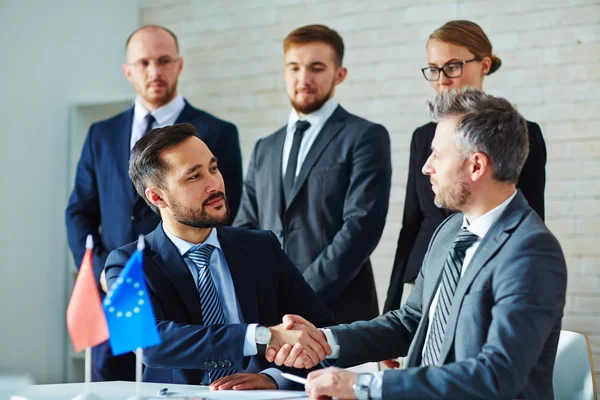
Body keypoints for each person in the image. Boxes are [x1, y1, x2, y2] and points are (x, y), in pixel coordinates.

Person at [268, 89, 567, 400]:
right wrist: (324, 341)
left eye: (437, 154)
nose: (426, 167)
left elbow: (497, 375)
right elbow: (409, 322)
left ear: (476, 166)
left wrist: (362, 386)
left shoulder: (530, 252)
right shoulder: (450, 231)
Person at [65, 25, 242, 381]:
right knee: (107, 385)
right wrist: (103, 271)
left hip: (183, 295)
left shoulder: (216, 132)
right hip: (115, 295)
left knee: (174, 383)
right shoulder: (102, 133)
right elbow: (79, 211)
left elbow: (226, 211)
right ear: (128, 70)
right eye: (144, 62)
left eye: (163, 61)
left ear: (179, 65)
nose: (154, 71)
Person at [104, 123, 336, 389]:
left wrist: (272, 379)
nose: (214, 184)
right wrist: (260, 337)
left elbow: (322, 333)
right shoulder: (125, 263)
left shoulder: (262, 247)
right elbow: (146, 341)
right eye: (194, 177)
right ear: (157, 197)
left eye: (213, 169)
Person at [384, 20, 547, 313]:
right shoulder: (423, 136)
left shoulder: (523, 133)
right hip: (423, 277)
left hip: (487, 274)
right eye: (434, 69)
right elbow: (412, 223)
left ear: (484, 65)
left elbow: (530, 217)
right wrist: (392, 302)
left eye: (453, 66)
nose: (442, 79)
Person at [233, 24, 392, 324]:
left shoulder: (365, 136)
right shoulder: (265, 147)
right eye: (294, 68)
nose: (303, 79)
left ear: (339, 74)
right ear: (284, 72)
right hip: (270, 318)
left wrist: (300, 296)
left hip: (339, 314)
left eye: (316, 68)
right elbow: (245, 228)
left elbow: (361, 227)